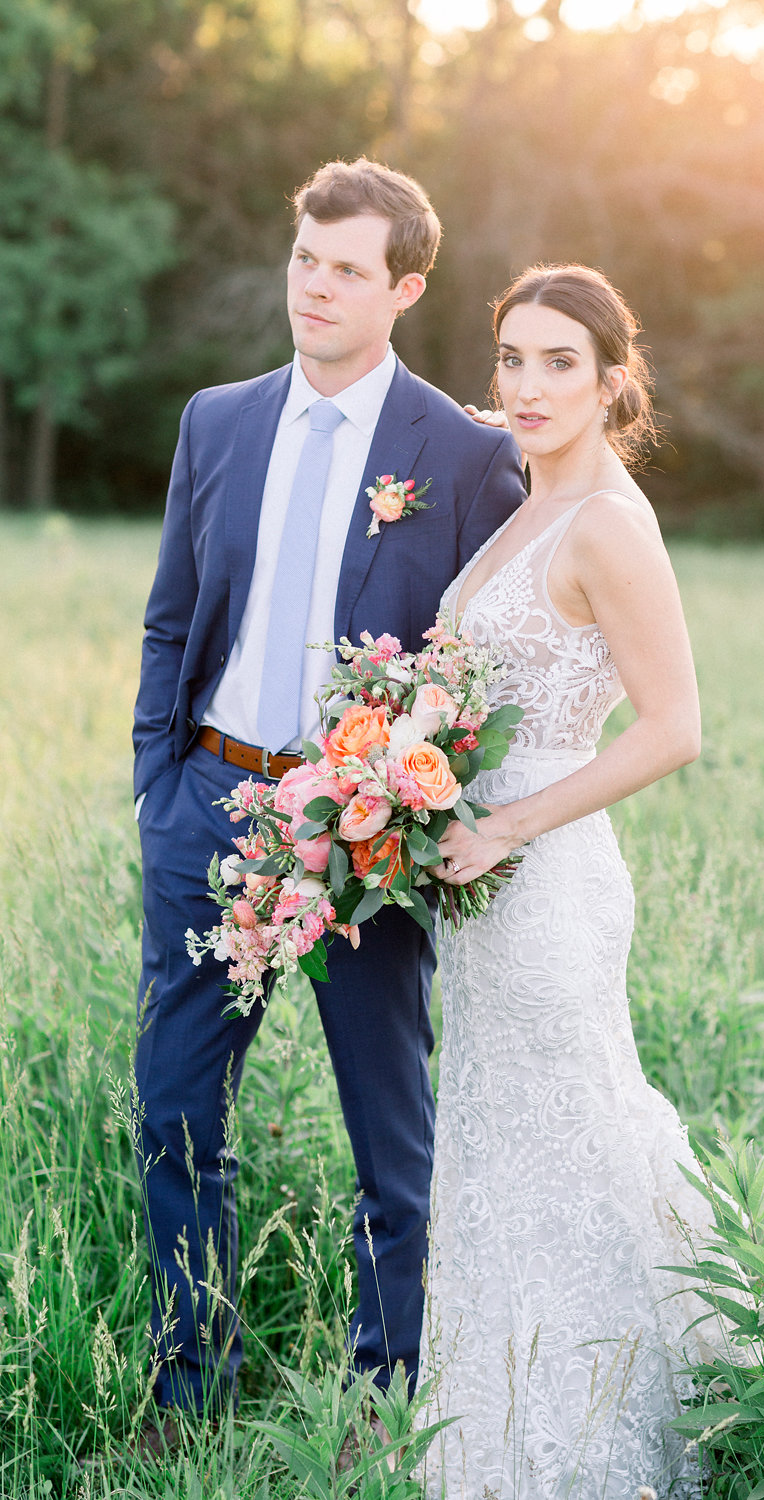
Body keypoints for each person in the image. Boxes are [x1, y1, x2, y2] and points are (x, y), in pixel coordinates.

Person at [131, 157, 525, 1435]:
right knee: (178, 1114)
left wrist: (412, 815)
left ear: (404, 288)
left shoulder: (462, 458)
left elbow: (483, 670)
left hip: (367, 840)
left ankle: (382, 1402)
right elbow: (173, 618)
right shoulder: (219, 419)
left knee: (390, 1143)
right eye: (307, 258)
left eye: (349, 271)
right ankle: (189, 1389)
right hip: (211, 805)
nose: (317, 287)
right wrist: (159, 785)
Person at [420, 265, 732, 1498]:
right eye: (512, 358)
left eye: (561, 361)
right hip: (481, 888)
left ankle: (593, 1439)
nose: (531, 384)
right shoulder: (521, 508)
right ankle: (495, 1423)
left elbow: (673, 726)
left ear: (613, 380)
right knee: (501, 1146)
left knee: (570, 1141)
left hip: (547, 888)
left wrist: (509, 830)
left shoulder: (607, 519)